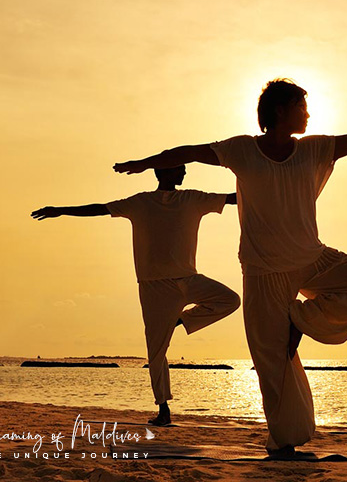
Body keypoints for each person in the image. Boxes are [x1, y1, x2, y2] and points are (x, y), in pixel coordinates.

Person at [112, 78, 347, 456]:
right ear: (278, 111)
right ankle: (285, 441)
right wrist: (143, 164)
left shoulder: (315, 148)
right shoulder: (241, 150)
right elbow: (187, 150)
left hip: (313, 258)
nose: (307, 113)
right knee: (273, 361)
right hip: (263, 270)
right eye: (300, 106)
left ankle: (301, 319)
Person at [31, 165, 241, 426]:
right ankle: (164, 409)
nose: (185, 174)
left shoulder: (193, 198)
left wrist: (270, 190)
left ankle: (181, 321)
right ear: (165, 172)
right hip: (154, 287)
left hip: (189, 278)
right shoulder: (140, 202)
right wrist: (61, 210)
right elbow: (100, 208)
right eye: (181, 169)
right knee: (156, 351)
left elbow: (233, 198)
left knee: (231, 300)